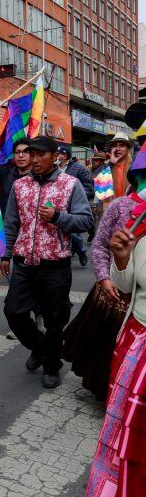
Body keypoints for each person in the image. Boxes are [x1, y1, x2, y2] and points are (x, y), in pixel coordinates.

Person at [0, 136, 94, 389]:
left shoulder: (70, 184)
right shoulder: (20, 186)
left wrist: (58, 217)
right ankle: (42, 349)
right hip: (24, 263)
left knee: (55, 319)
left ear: (55, 156)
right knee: (14, 312)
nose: (35, 159)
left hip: (55, 265)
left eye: (41, 154)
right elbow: (11, 223)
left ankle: (52, 365)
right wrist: (7, 253)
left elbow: (86, 221)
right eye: (32, 154)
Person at [63, 153, 146, 401]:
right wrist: (104, 277)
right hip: (113, 292)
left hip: (140, 306)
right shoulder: (121, 206)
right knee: (104, 348)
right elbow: (99, 245)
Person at [87, 222, 146, 495]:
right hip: (136, 340)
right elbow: (127, 285)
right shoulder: (141, 222)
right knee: (126, 437)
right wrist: (122, 259)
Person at [57, 145, 94, 266]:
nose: (58, 156)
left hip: (72, 206)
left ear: (66, 156)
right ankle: (69, 250)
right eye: (57, 154)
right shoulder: (53, 168)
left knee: (74, 232)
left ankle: (82, 252)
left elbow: (88, 185)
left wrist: (80, 197)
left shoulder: (77, 168)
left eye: (61, 154)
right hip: (57, 206)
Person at [0, 138, 32, 213]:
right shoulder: (5, 171)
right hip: (3, 222)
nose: (20, 155)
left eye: (25, 152)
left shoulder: (38, 177)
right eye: (17, 152)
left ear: (33, 155)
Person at [105, 132, 134, 206]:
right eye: (115, 146)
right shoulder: (107, 166)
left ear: (128, 149)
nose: (117, 149)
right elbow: (100, 189)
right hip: (110, 210)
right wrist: (110, 164)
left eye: (121, 146)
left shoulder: (134, 166)